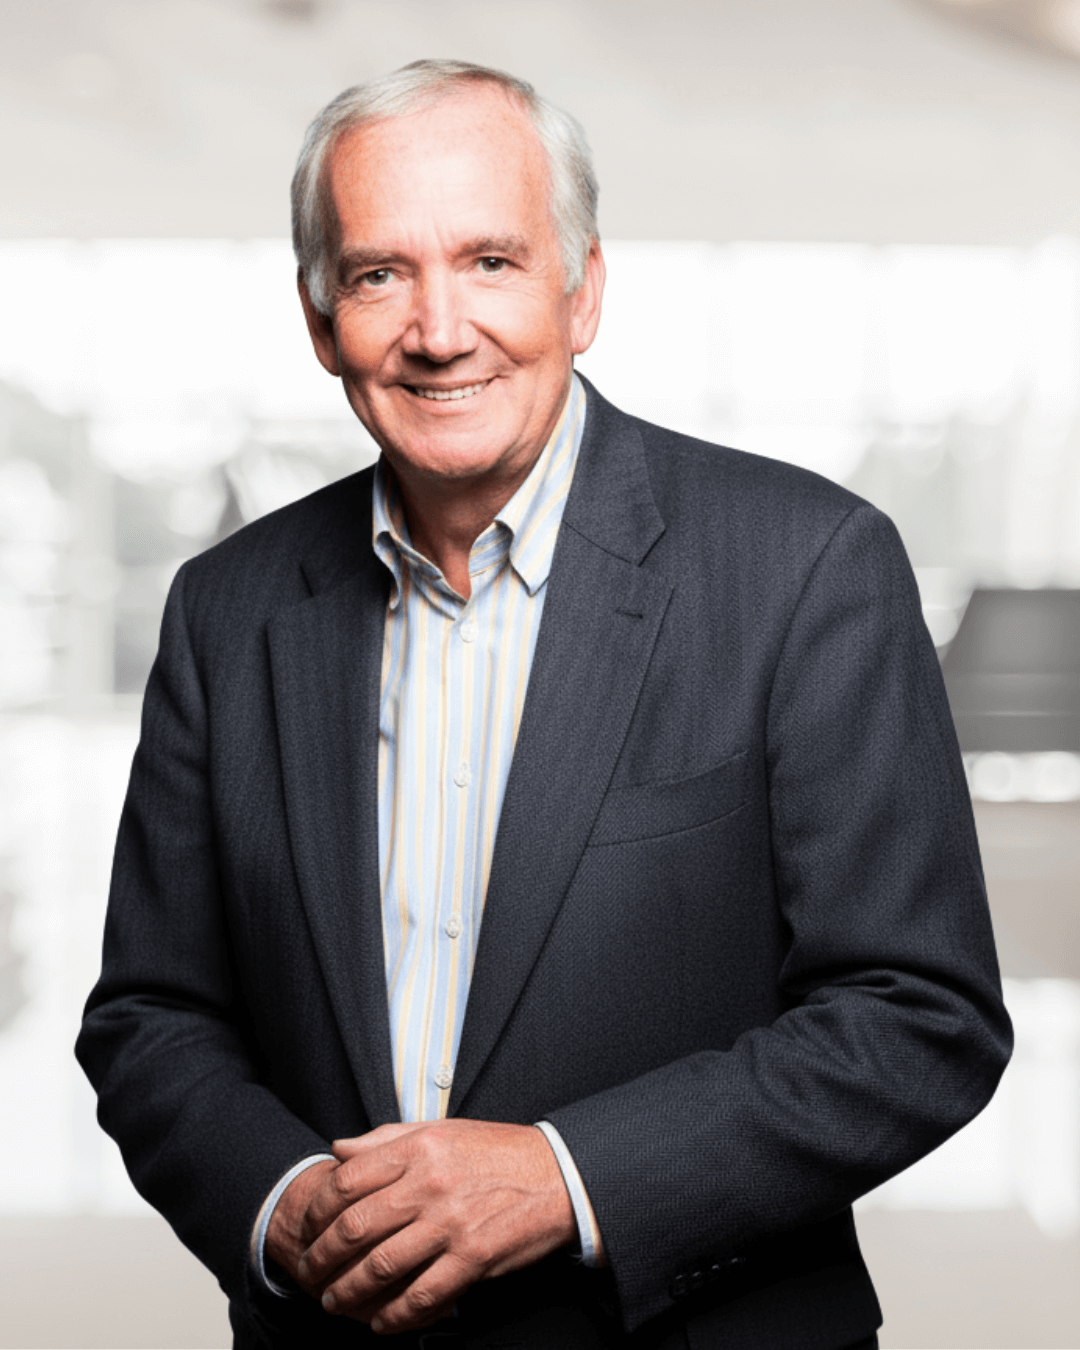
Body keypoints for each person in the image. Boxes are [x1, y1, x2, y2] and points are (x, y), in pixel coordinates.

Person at [77, 59, 1011, 1350]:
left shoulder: (806, 568)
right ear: (317, 320)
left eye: (492, 262)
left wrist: (563, 1175)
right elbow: (151, 1015)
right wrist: (286, 1205)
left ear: (584, 293)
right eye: (378, 274)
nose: (439, 327)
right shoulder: (226, 612)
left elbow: (921, 1016)